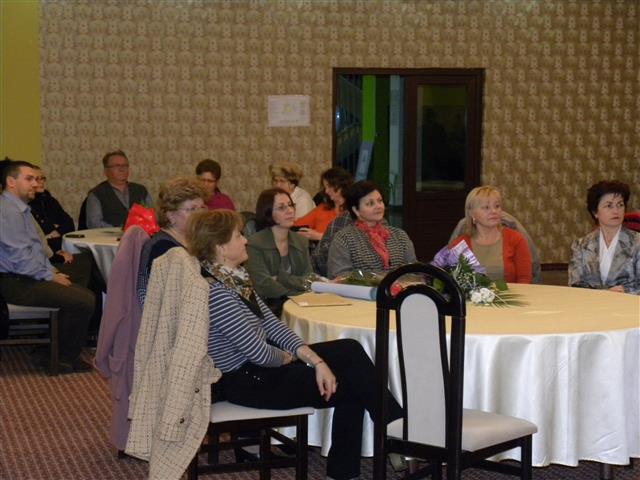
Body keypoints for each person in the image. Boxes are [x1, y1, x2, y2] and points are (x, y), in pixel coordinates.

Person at [186, 209, 402, 480]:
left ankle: (392, 426)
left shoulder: (233, 279)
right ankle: (369, 453)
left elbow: (273, 325)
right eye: (238, 236)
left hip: (260, 368)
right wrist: (292, 358)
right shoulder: (216, 292)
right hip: (247, 380)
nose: (245, 240)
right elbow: (259, 353)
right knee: (350, 386)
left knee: (349, 349)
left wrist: (313, 359)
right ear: (220, 247)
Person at [0, 161, 95, 372]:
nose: (35, 184)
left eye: (36, 179)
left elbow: (35, 250)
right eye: (29, 179)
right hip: (14, 282)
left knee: (82, 273)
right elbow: (20, 258)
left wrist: (51, 270)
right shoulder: (8, 212)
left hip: (24, 275)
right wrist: (50, 276)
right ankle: (60, 359)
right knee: (85, 300)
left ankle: (52, 346)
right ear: (11, 182)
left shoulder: (19, 208)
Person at [137, 176, 207, 305]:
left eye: (201, 208)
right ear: (170, 215)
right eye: (192, 209)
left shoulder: (194, 241)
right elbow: (173, 298)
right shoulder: (162, 249)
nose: (200, 215)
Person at [328, 181, 417, 279]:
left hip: (401, 288)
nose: (378, 206)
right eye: (370, 203)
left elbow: (415, 271)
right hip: (359, 289)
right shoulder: (344, 238)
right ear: (356, 210)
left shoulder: (399, 235)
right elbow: (340, 276)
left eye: (380, 201)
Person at [245, 188, 312, 315]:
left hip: (301, 306)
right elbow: (264, 285)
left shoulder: (301, 241)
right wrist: (296, 293)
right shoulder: (254, 244)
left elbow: (308, 280)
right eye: (281, 208)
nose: (290, 210)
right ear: (268, 213)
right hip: (268, 311)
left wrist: (281, 278)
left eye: (290, 205)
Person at [449, 186, 532, 283]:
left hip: (511, 293)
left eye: (497, 206)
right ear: (472, 213)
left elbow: (524, 279)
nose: (494, 211)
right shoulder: (459, 245)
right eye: (486, 207)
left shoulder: (516, 239)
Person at [568, 180, 640, 294]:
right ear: (595, 212)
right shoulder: (581, 245)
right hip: (592, 303)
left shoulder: (637, 242)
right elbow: (575, 284)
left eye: (620, 205)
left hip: (629, 303)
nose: (616, 211)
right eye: (609, 206)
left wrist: (626, 291)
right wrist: (605, 293)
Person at [86, 150, 153, 228]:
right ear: (106, 171)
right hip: (109, 235)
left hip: (141, 234)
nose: (122, 169)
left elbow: (152, 218)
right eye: (117, 166)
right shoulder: (96, 194)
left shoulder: (141, 190)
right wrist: (121, 230)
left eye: (125, 165)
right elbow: (94, 224)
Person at [293, 166, 353, 242]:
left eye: (329, 186)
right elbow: (297, 225)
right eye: (325, 187)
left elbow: (353, 241)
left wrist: (320, 236)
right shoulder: (322, 208)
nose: (326, 191)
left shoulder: (354, 212)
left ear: (341, 186)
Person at [29, 166, 75, 253]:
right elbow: (39, 233)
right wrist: (53, 227)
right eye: (37, 179)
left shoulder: (49, 199)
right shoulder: (26, 203)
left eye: (43, 178)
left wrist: (55, 231)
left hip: (61, 248)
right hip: (43, 252)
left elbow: (69, 223)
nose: (42, 181)